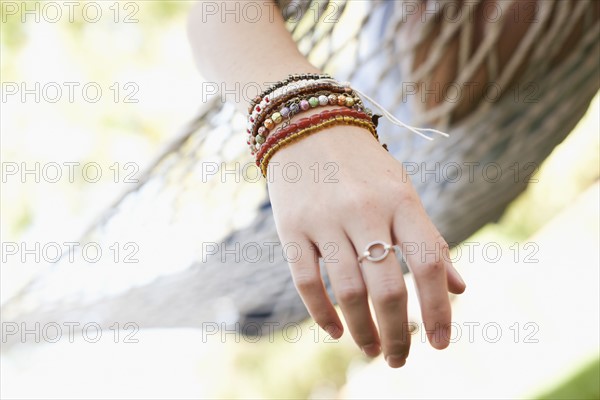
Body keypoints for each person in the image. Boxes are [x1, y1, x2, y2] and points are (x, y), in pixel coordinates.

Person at [187, 0, 600, 368]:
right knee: (255, 275)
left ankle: (235, 304)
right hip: (332, 171)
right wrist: (298, 121)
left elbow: (446, 92)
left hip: (451, 191)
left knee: (292, 282)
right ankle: (219, 299)